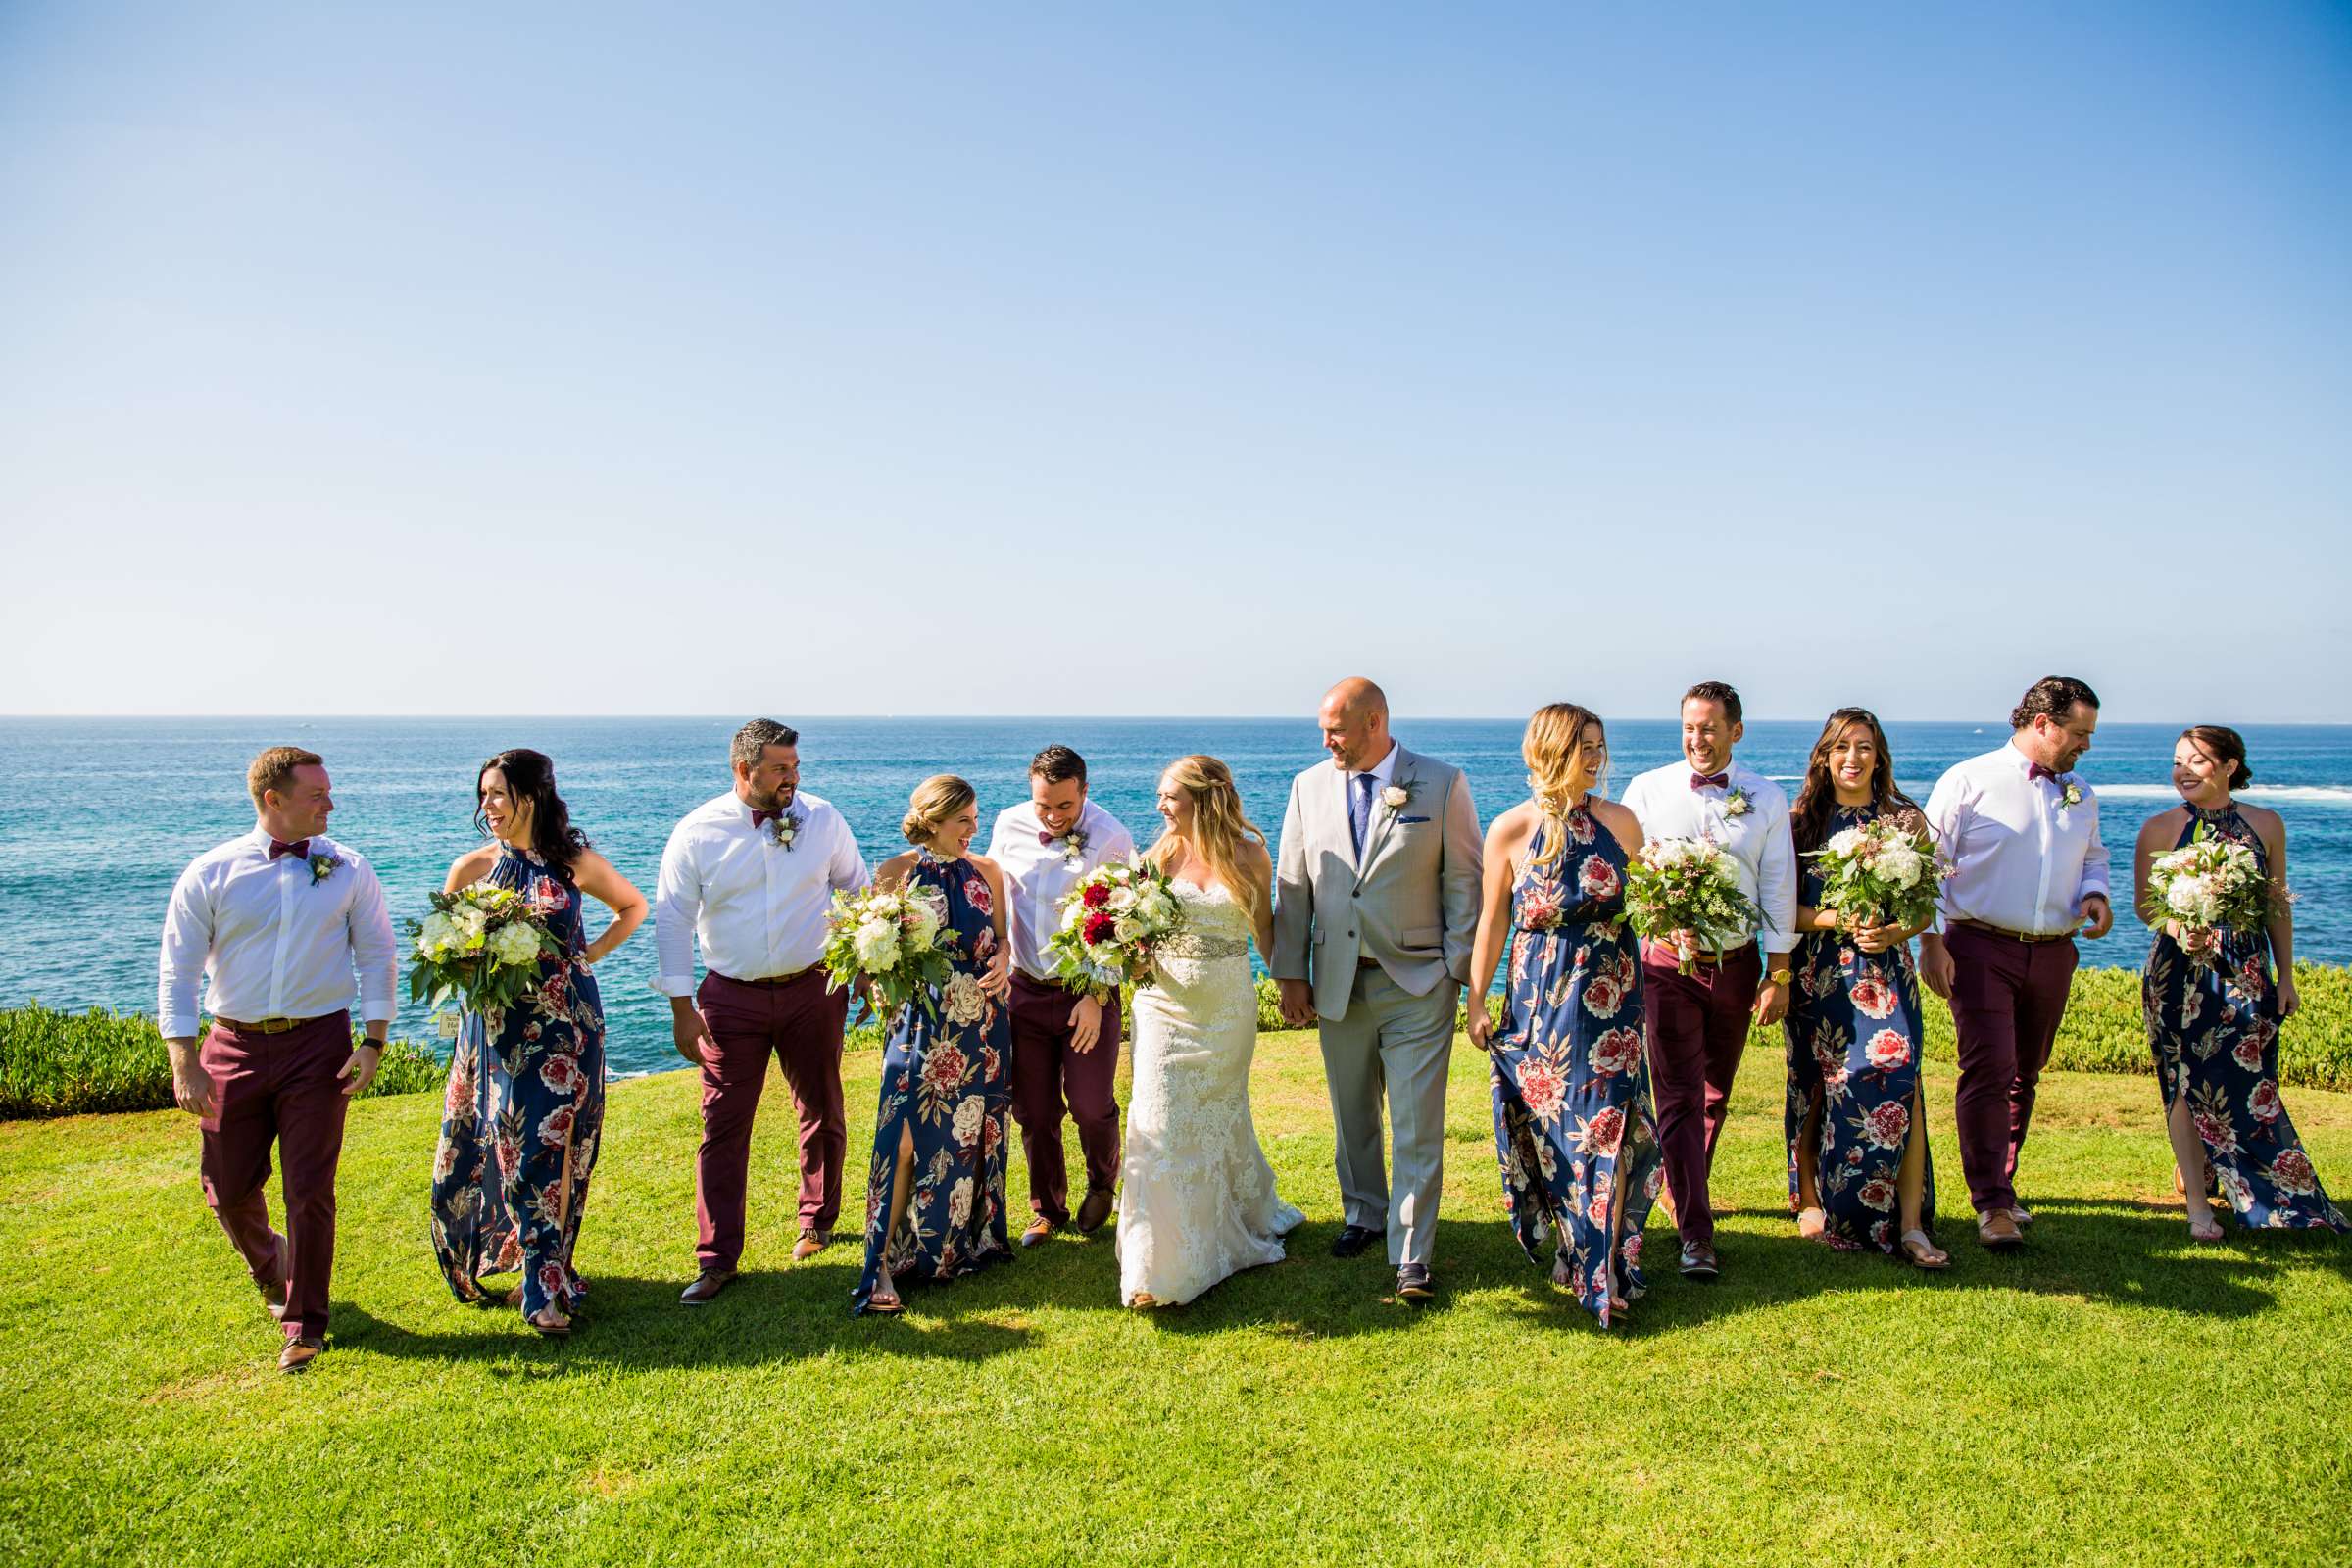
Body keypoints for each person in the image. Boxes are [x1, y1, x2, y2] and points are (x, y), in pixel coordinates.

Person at [158, 747, 397, 1373]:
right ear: (274, 799)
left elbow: (376, 954)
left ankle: (305, 1322)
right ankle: (273, 1268)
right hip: (231, 1043)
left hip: (319, 1046)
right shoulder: (210, 873)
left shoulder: (348, 868)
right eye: (317, 794)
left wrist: (373, 1040)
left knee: (310, 1189)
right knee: (228, 1186)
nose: (331, 804)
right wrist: (184, 1058)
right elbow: (178, 972)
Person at [1271, 677, 1481, 1302]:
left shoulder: (1442, 782)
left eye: (1335, 728)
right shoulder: (1308, 787)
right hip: (1338, 981)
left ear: (1374, 721)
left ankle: (1411, 1254)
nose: (1326, 740)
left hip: (1418, 980)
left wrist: (1454, 967)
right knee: (1352, 1113)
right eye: (1322, 731)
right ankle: (1363, 1214)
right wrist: (1290, 973)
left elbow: (1464, 883)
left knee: (1417, 1122)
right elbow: (1293, 885)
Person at [428, 749, 647, 1335]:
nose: (488, 806)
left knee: (554, 1149)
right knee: (507, 1149)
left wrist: (588, 955)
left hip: (566, 1025)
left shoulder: (573, 863)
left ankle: (544, 1282)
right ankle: (531, 1269)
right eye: (483, 795)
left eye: (498, 793)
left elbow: (633, 906)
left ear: (532, 795)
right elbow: (448, 948)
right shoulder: (470, 870)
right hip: (496, 1030)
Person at [654, 719, 870, 1304]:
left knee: (822, 1107)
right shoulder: (697, 832)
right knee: (722, 1123)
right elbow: (672, 918)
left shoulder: (822, 818)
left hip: (815, 987)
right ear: (744, 770)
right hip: (730, 997)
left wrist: (866, 970)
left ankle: (817, 1220)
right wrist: (681, 1006)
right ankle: (717, 1257)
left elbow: (855, 888)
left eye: (796, 767)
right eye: (780, 768)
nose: (793, 779)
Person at [1464, 705, 1662, 1326]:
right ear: (1551, 751)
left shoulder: (1623, 823)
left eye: (1600, 746)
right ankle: (1575, 1249)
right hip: (1539, 1001)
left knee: (1609, 1129)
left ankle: (1603, 1268)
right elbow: (1492, 921)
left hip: (1613, 1000)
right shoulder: (1511, 831)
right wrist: (1476, 997)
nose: (1596, 758)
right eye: (1584, 747)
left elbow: (1653, 903)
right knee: (1553, 1133)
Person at [1917, 675, 2114, 1250]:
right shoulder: (1969, 780)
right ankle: (1991, 1205)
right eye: (2079, 733)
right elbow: (1927, 865)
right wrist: (1930, 942)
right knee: (1989, 1069)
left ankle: (2004, 1179)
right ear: (2043, 724)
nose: (2086, 745)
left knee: (2026, 1071)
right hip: (1979, 947)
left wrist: (2095, 894)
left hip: (2055, 952)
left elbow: (2094, 856)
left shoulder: (2082, 792)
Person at [2135, 726, 2346, 1238]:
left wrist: (2287, 975)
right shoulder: (2160, 828)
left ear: (2230, 766)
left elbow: (2275, 906)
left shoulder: (2267, 825)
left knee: (2250, 1080)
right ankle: (2199, 1210)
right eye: (2176, 762)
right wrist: (2178, 926)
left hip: (2247, 968)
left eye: (2197, 761)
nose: (2182, 771)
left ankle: (2230, 1177)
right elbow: (2145, 906)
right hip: (2179, 968)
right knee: (2183, 1080)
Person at [1619, 680, 1797, 1282]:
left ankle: (1678, 1189)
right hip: (1665, 967)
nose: (1699, 738)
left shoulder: (1766, 797)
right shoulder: (1645, 791)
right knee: (1677, 1096)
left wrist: (1779, 973)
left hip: (1738, 965)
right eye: (1690, 728)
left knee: (1715, 1091)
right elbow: (1630, 878)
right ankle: (1698, 1232)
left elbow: (1778, 887)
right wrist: (1664, 926)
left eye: (1711, 728)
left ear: (1736, 732)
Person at [1118, 756, 1306, 1308]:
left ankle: (1233, 1217)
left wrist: (1290, 986)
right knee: (1158, 1117)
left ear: (1203, 797)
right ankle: (1158, 1263)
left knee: (1218, 1115)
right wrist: (1124, 953)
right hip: (1163, 1008)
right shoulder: (1156, 858)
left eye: (1169, 795)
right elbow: (1133, 938)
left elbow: (1265, 928)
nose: (1160, 805)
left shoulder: (1250, 854)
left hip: (1227, 1007)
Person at [1782, 710, 1946, 1268]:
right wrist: (1837, 920)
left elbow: (1925, 908)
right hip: (1820, 970)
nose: (1853, 758)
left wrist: (1893, 931)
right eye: (1842, 747)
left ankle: (1909, 1221)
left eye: (1865, 747)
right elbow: (1781, 910)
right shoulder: (1799, 821)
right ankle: (1811, 1199)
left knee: (1903, 1079)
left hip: (1886, 972)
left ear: (1880, 757)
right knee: (1819, 1081)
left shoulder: (1907, 821)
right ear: (1824, 756)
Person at [853, 777, 1016, 1314]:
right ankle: (879, 1261)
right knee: (902, 1138)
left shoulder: (989, 872)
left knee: (970, 1132)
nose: (974, 830)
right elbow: (869, 950)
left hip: (980, 1027)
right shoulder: (896, 873)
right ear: (933, 820)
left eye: (976, 818)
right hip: (918, 1023)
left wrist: (1002, 959)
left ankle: (953, 1245)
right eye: (963, 821)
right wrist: (877, 979)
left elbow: (1002, 940)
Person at [984, 745, 1137, 1246]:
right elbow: (998, 896)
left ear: (1084, 793)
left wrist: (1095, 992)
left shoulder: (1112, 836)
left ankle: (1102, 1183)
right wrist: (999, 950)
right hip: (1025, 988)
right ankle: (1046, 1208)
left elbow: (1123, 922)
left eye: (1064, 808)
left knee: (1091, 1104)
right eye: (1043, 806)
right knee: (1034, 1109)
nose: (1052, 817)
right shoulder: (1008, 825)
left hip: (1087, 991)